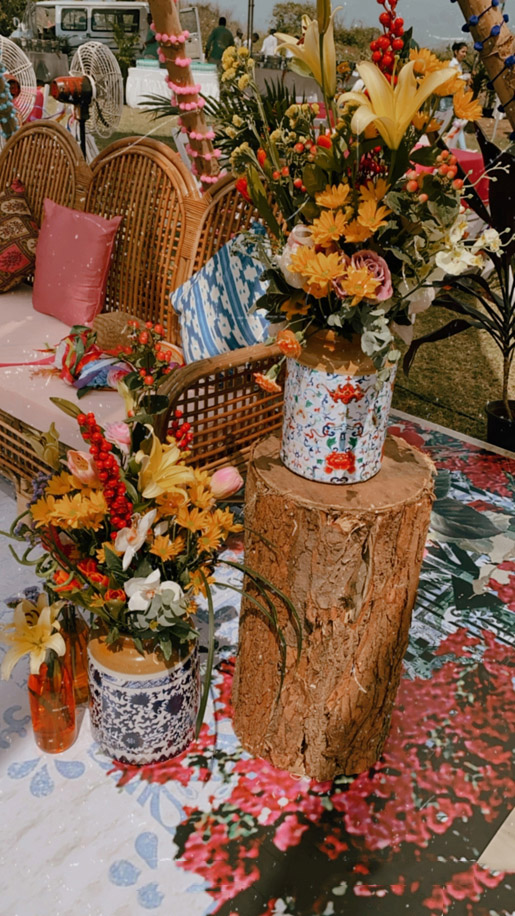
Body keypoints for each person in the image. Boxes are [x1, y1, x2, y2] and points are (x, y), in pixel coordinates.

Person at [444, 41, 471, 150]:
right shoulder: (452, 64)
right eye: (462, 51)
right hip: (447, 97)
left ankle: (463, 148)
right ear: (456, 52)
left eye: (466, 52)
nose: (464, 54)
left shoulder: (458, 65)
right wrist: (465, 77)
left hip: (455, 97)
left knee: (458, 123)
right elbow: (452, 78)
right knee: (443, 122)